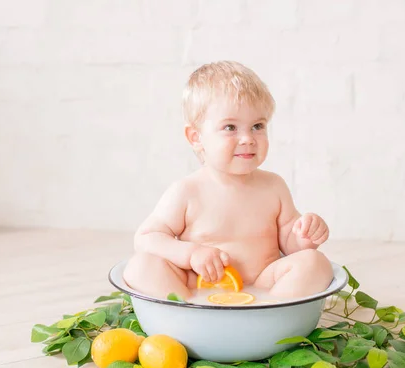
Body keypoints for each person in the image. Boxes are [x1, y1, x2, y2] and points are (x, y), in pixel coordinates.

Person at [123, 61, 333, 301]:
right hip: (199, 283)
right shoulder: (187, 191)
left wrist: (305, 236)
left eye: (257, 126)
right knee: (140, 266)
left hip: (263, 282)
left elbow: (290, 244)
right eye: (230, 127)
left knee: (315, 262)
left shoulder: (274, 186)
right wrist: (191, 254)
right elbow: (146, 238)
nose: (247, 138)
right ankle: (188, 310)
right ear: (196, 137)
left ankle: (273, 309)